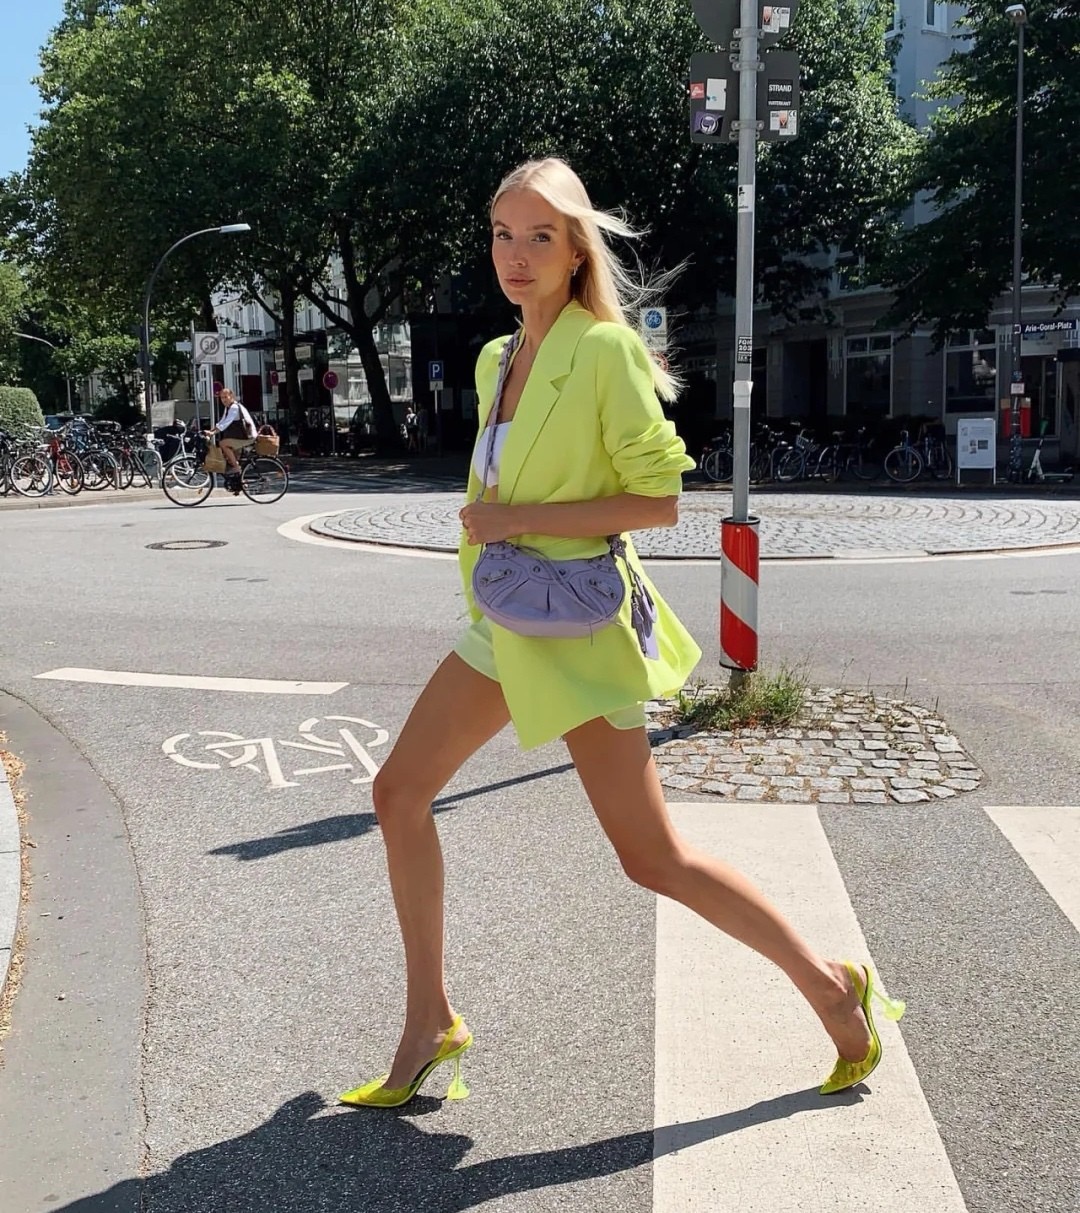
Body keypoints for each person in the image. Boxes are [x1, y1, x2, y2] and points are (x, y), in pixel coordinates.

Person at [338, 157, 904, 1110]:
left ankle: (831, 986)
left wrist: (516, 522)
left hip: (575, 624)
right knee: (398, 792)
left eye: (540, 237)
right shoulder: (495, 358)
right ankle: (429, 1020)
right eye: (503, 235)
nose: (516, 256)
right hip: (504, 621)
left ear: (575, 252)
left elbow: (658, 501)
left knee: (652, 857)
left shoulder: (604, 351)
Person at [207, 389, 257, 492]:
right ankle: (239, 480)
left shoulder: (234, 407)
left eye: (226, 397)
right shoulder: (228, 408)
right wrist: (211, 431)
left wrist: (213, 433)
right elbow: (222, 422)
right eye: (222, 398)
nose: (223, 400)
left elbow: (226, 423)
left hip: (248, 436)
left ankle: (236, 467)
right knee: (228, 455)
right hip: (240, 436)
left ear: (232, 397)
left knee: (223, 444)